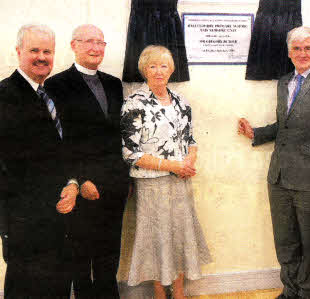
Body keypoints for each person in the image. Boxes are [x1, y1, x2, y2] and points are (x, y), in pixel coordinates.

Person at [238, 26, 310, 299]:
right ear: (289, 53)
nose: (302, 53)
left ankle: (307, 292)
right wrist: (257, 133)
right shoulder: (284, 81)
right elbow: (284, 126)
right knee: (285, 240)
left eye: (308, 48)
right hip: (279, 175)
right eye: (297, 49)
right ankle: (290, 290)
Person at [45, 24, 130, 298]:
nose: (95, 48)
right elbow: (61, 140)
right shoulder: (57, 84)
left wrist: (122, 178)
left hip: (115, 184)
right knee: (81, 255)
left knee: (109, 254)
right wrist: (80, 180)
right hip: (83, 184)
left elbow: (117, 135)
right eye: (88, 42)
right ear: (74, 45)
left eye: (100, 43)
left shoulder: (114, 84)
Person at [121, 45, 211, 299]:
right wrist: (173, 166)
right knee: (157, 240)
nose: (158, 71)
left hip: (181, 182)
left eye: (163, 66)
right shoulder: (134, 103)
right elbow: (130, 153)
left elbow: (191, 140)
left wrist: (189, 160)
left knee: (180, 237)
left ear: (171, 69)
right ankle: (160, 293)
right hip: (152, 184)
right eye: (152, 66)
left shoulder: (181, 101)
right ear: (144, 70)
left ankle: (179, 291)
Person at [0, 24, 76, 298]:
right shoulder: (4, 95)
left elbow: (64, 150)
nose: (42, 57)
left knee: (57, 288)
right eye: (34, 50)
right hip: (25, 222)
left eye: (48, 51)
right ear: (19, 51)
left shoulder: (53, 94)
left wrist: (72, 183)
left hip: (60, 217)